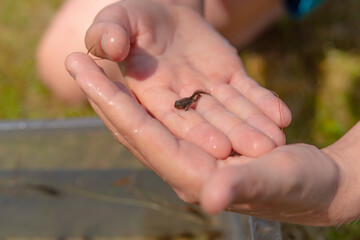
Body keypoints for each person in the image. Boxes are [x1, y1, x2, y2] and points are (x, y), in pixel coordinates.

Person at [42, 0, 360, 226]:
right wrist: (177, 7)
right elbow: (184, 103)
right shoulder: (185, 102)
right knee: (58, 62)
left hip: (190, 99)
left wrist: (346, 175)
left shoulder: (188, 103)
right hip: (188, 92)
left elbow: (187, 103)